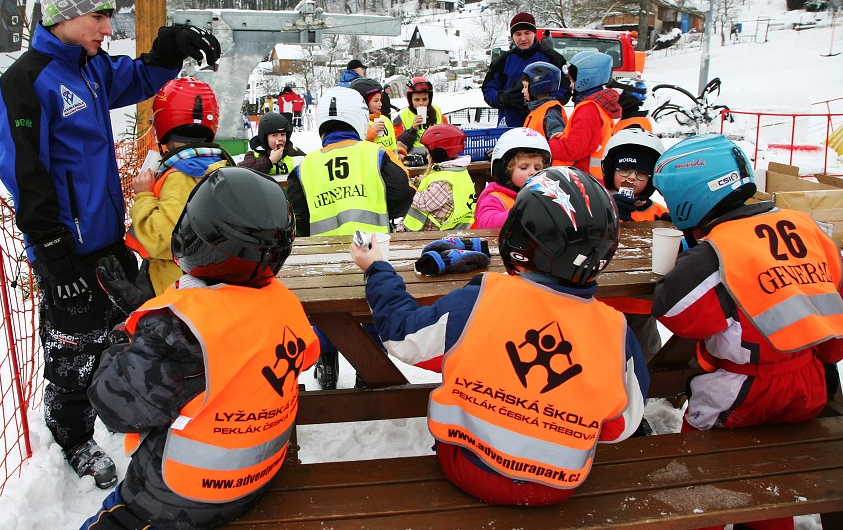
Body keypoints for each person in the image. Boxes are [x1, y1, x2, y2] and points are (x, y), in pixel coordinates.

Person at [0, 0, 220, 489]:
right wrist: (51, 251)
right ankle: (72, 436)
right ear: (64, 15)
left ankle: (123, 406)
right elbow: (25, 173)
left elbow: (137, 77)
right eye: (98, 16)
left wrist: (169, 48)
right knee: (71, 349)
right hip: (64, 249)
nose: (106, 28)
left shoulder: (90, 68)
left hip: (107, 239)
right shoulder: (27, 82)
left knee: (121, 331)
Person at [351, 167, 648, 506]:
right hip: (558, 484)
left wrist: (376, 268)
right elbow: (621, 425)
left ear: (518, 237)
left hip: (468, 467)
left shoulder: (481, 301)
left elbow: (403, 336)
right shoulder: (616, 330)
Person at [83, 167, 319, 529]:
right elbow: (230, 343)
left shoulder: (175, 332)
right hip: (259, 474)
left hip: (182, 499)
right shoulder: (283, 302)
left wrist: (122, 339)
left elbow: (116, 407)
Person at [651, 135, 843, 530]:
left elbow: (676, 313)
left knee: (699, 479)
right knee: (769, 477)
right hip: (810, 381)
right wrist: (824, 360)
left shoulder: (715, 252)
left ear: (688, 195)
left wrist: (685, 262)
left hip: (742, 390)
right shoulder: (808, 227)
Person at [286, 86, 413, 389]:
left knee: (328, 313)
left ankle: (327, 363)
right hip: (371, 258)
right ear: (359, 118)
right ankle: (370, 370)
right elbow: (401, 194)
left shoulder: (304, 167)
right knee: (372, 308)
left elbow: (298, 219)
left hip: (325, 266)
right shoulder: (377, 155)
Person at [126, 78, 234, 295]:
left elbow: (162, 240)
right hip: (205, 284)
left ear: (162, 122)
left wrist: (144, 195)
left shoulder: (182, 175)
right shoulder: (218, 165)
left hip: (177, 291)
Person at [598, 128, 669, 363]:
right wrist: (606, 213)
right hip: (602, 303)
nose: (631, 178)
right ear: (611, 170)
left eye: (641, 174)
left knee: (643, 362)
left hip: (642, 308)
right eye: (624, 170)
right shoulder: (594, 204)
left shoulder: (659, 214)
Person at [481, 12, 570, 127]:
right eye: (518, 34)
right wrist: (504, 98)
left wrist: (539, 99)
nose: (523, 38)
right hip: (510, 126)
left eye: (527, 33)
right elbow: (488, 90)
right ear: (512, 36)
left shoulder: (553, 59)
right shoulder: (502, 61)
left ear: (534, 33)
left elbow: (565, 90)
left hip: (543, 125)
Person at [550, 51, 620, 179]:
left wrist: (546, 146)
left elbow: (574, 149)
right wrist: (563, 137)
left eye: (572, 80)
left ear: (584, 78)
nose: (570, 85)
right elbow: (587, 139)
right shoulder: (599, 105)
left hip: (584, 177)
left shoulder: (588, 108)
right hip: (592, 175)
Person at [399, 124, 476, 232]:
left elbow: (424, 203)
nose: (427, 156)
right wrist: (421, 183)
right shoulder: (457, 171)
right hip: (452, 229)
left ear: (437, 154)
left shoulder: (444, 182)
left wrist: (410, 188)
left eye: (428, 153)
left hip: (432, 234)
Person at [473, 127, 551, 229]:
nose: (533, 172)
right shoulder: (495, 198)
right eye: (524, 167)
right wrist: (519, 213)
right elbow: (487, 224)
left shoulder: (543, 196)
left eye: (537, 168)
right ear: (505, 171)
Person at [394, 77, 448, 158]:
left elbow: (447, 138)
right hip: (413, 161)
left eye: (424, 99)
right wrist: (412, 130)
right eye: (417, 100)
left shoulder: (438, 113)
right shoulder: (402, 118)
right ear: (410, 100)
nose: (421, 103)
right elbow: (398, 147)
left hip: (435, 160)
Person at [238, 112, 305, 175]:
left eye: (283, 134)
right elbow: (241, 171)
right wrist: (270, 161)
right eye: (274, 135)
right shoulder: (253, 155)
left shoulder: (294, 152)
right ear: (264, 138)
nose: (280, 139)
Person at [350, 77, 399, 154]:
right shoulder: (355, 125)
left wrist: (400, 154)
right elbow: (355, 151)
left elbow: (393, 145)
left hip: (390, 161)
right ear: (363, 103)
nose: (380, 104)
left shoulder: (386, 120)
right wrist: (371, 132)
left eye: (380, 100)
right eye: (376, 101)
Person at [521, 61, 567, 139]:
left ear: (537, 87)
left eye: (525, 86)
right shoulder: (537, 108)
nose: (523, 91)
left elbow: (557, 140)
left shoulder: (551, 112)